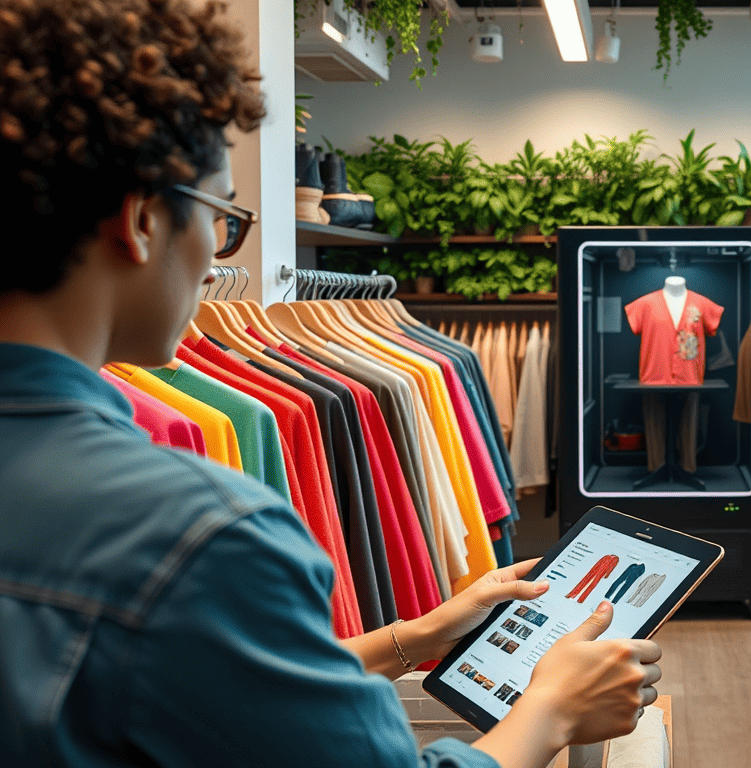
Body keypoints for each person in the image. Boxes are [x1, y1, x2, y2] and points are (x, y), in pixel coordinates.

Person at [0, 2, 660, 766]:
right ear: (143, 220)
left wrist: (413, 636)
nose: (218, 257)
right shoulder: (196, 536)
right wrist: (550, 712)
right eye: (223, 216)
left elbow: (196, 683)